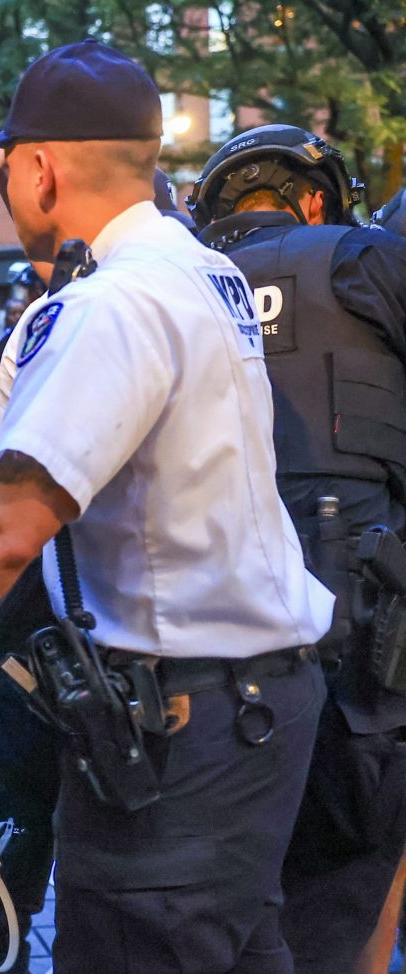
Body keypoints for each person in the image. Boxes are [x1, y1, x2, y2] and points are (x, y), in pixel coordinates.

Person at [0, 39, 333, 974]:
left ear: (45, 172)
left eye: (16, 169)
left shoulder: (110, 306)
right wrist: (16, 151)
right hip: (252, 714)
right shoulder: (195, 265)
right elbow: (117, 170)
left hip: (181, 732)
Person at [191, 123, 406, 974]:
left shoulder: (166, 283)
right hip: (363, 608)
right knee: (354, 855)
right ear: (315, 202)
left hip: (202, 625)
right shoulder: (362, 259)